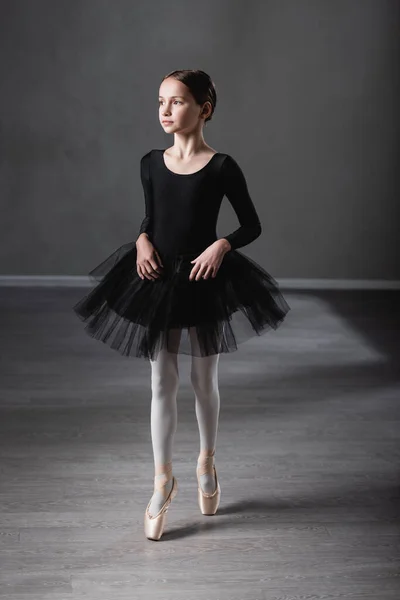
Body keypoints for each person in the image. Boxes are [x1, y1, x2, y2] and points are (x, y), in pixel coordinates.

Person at [73, 69, 290, 541]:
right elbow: (151, 217)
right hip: (159, 277)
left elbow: (250, 225)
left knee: (203, 378)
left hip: (203, 276)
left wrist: (222, 246)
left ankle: (206, 462)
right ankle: (161, 480)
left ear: (204, 108)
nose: (165, 111)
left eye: (176, 102)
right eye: (160, 102)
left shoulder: (222, 166)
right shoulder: (151, 162)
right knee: (160, 379)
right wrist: (141, 241)